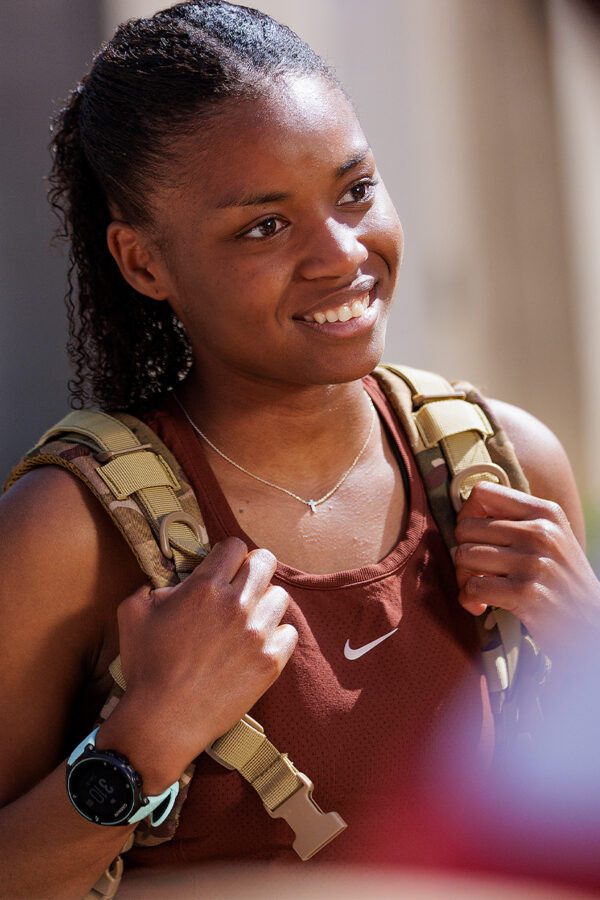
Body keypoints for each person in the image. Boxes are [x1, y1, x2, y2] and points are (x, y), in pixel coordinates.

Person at [1, 2, 599, 896]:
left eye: (354, 189)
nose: (340, 254)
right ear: (143, 263)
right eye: (264, 227)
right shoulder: (70, 529)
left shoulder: (504, 466)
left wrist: (588, 651)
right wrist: (147, 737)